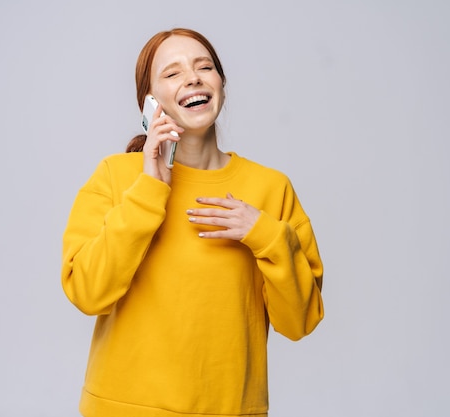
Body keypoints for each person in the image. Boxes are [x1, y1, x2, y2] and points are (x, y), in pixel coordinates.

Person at [61, 28, 324, 417]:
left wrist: (264, 233)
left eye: (205, 67)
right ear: (150, 104)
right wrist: (150, 190)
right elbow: (87, 291)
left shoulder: (271, 188)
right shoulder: (116, 177)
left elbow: (300, 321)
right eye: (172, 72)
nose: (194, 77)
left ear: (220, 84)